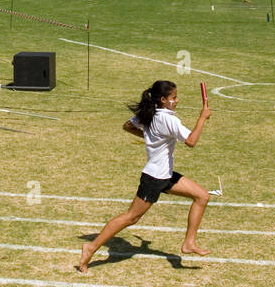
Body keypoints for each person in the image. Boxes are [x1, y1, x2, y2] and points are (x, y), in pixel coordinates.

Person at [77, 80, 212, 272]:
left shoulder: (150, 114)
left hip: (165, 175)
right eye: (173, 98)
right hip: (154, 178)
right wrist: (202, 118)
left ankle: (189, 243)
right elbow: (191, 141)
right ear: (163, 100)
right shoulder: (169, 119)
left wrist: (151, 138)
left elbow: (127, 126)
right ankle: (90, 247)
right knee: (131, 217)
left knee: (202, 196)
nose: (177, 100)